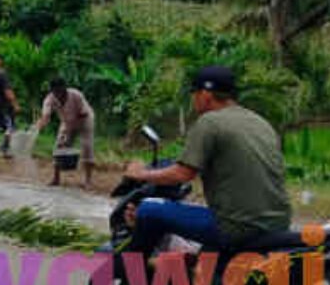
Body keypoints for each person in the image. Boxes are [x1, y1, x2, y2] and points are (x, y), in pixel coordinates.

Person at [122, 66, 291, 253]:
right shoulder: (260, 122)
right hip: (278, 225)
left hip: (235, 228)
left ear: (205, 94)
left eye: (194, 93)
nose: (193, 99)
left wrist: (140, 174)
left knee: (148, 209)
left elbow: (182, 174)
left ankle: (135, 275)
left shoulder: (210, 121)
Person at [33, 78, 96, 189]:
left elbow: (83, 113)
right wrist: (39, 125)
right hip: (66, 122)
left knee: (87, 147)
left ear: (64, 89)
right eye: (55, 92)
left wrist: (69, 129)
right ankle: (56, 178)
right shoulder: (49, 99)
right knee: (58, 146)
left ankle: (88, 181)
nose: (58, 94)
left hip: (84, 120)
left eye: (60, 91)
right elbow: (46, 117)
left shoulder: (76, 95)